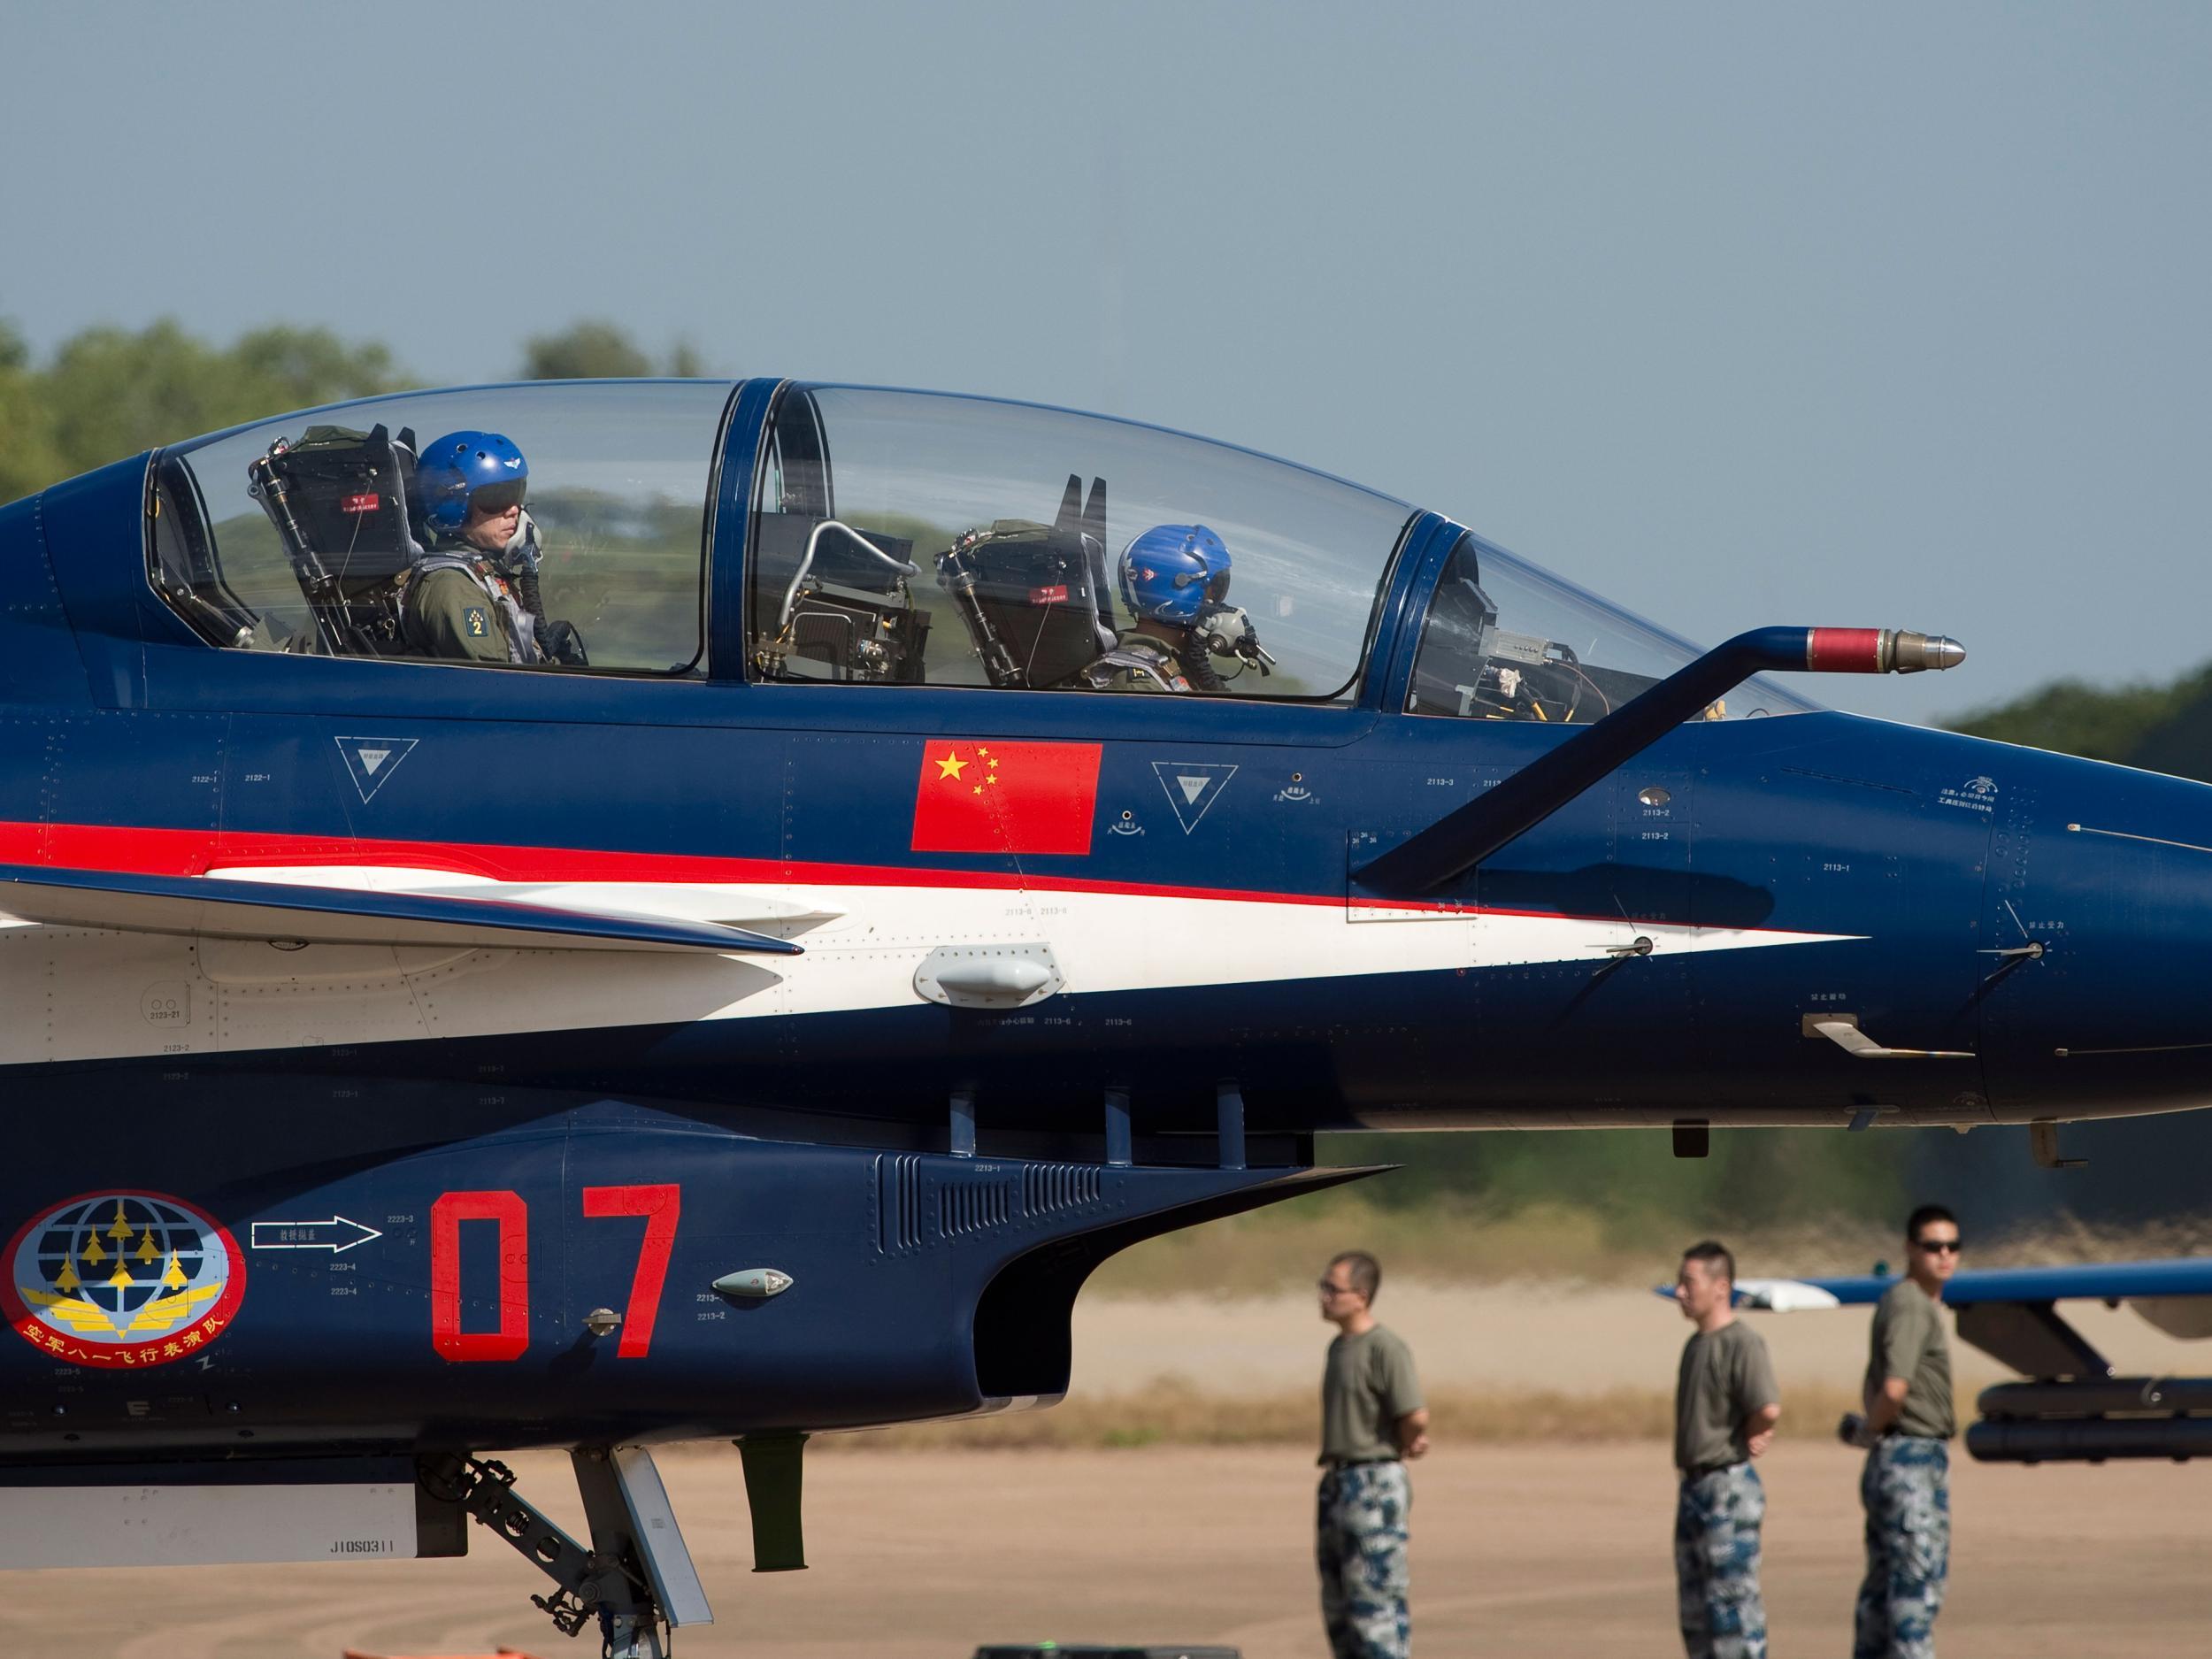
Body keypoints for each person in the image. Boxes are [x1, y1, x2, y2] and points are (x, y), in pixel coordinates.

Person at [1839, 1203, 1960, 1659]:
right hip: (1910, 1460)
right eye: (1933, 1246)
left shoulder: (1910, 1302)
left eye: (1952, 1246)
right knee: (1914, 1594)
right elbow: (1894, 1388)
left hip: (1900, 1459)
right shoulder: (1911, 1305)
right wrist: (1870, 1431)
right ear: (1911, 1250)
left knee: (1883, 1595)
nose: (1944, 1255)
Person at [1315, 1248, 1428, 1659]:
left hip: (1373, 1484)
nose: (1324, 1296)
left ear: (1361, 1295)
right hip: (1337, 1480)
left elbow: (1415, 1414)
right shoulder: (1338, 1348)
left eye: (1332, 1288)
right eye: (1322, 1287)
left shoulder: (1385, 1346)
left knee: (1374, 1602)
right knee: (1340, 1605)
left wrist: (1407, 1440)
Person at [1672, 1239, 1781, 1659]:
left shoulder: (1742, 1342)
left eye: (1688, 1283)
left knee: (1732, 1611)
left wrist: (1753, 1434)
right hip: (1694, 1489)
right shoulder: (1696, 1345)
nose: (1680, 1292)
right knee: (1697, 1616)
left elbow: (1767, 1407)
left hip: (1726, 1489)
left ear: (1721, 1287)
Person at [402, 430, 583, 665]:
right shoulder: (452, 585)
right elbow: (495, 678)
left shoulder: (486, 574)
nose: (514, 510)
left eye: (516, 492)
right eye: (497, 497)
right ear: (453, 504)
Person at [1097, 522, 1269, 691]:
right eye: (1213, 592)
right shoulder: (1141, 687)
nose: (1217, 605)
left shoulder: (1170, 667)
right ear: (1182, 591)